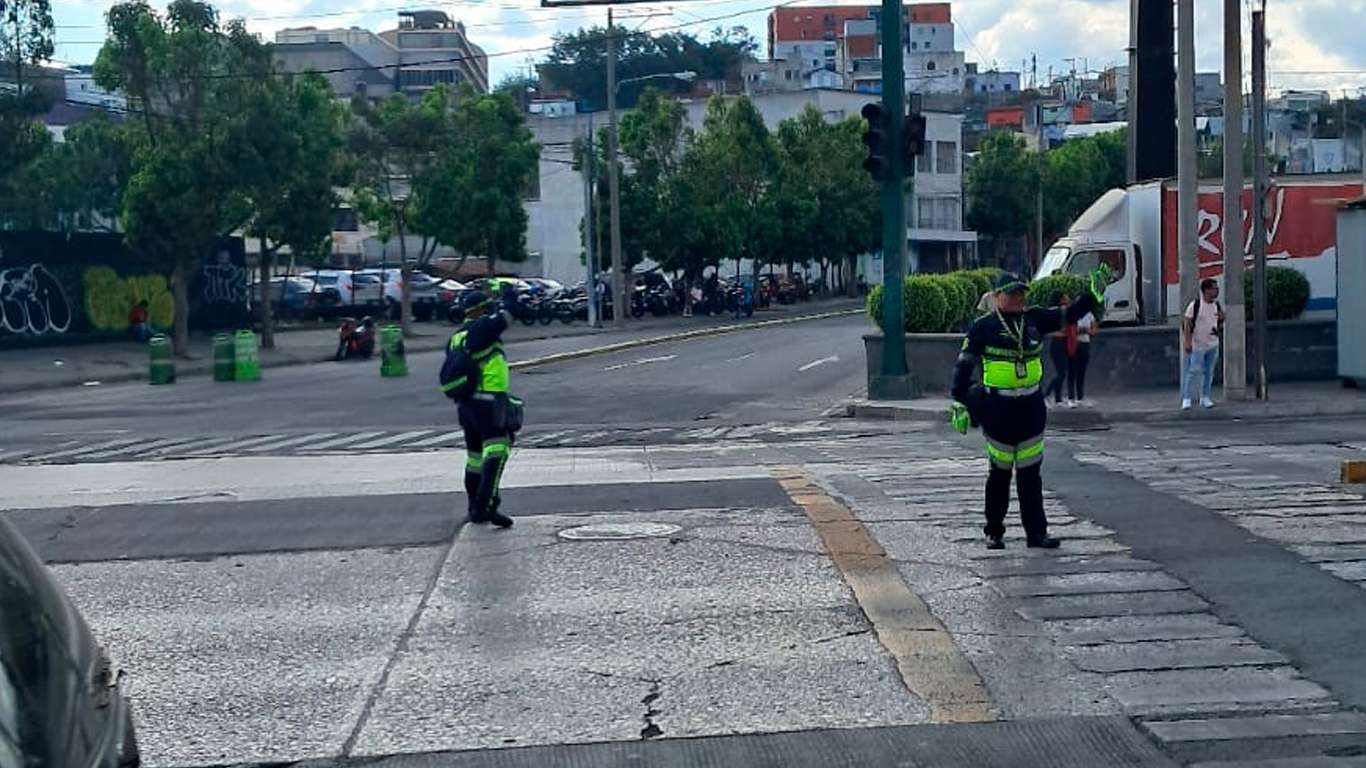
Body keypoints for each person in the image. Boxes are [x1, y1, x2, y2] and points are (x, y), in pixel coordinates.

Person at [949, 267, 1109, 550]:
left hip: (1032, 409)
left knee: (1030, 476)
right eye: (1012, 293)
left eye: (1022, 292)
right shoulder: (982, 327)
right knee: (999, 475)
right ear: (997, 296)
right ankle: (994, 531)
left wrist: (1092, 295)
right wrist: (962, 403)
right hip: (998, 409)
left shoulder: (1034, 318)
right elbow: (963, 370)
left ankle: (1036, 534)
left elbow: (1068, 315)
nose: (1019, 297)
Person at [446, 290, 519, 528]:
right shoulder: (482, 328)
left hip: (466, 404)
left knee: (475, 458)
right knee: (498, 450)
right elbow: (509, 315)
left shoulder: (457, 336)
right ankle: (484, 507)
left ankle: (475, 506)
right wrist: (510, 296)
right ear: (483, 309)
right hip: (487, 400)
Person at [1182, 278, 1224, 410]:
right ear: (1206, 290)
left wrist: (1222, 318)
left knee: (1209, 371)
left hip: (1212, 344)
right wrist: (1187, 341)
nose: (1216, 291)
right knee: (1193, 371)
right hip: (1197, 345)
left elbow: (1217, 323)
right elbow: (1187, 324)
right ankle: (1187, 398)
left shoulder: (1216, 306)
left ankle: (1205, 397)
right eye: (1213, 288)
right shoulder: (1195, 306)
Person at [1044, 294, 1075, 407]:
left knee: (1062, 372)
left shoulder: (1065, 311)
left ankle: (1058, 399)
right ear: (1060, 299)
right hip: (1057, 344)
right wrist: (1061, 332)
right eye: (1065, 297)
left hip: (1065, 343)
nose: (1068, 299)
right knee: (1061, 373)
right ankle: (1046, 394)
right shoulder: (1055, 312)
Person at [1072, 306, 1097, 407]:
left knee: (1081, 371)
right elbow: (1073, 330)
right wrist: (1084, 330)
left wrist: (1085, 330)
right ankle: (1071, 397)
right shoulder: (1074, 314)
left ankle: (1080, 397)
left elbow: (1093, 330)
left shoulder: (1089, 315)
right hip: (1075, 344)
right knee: (1073, 371)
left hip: (1085, 343)